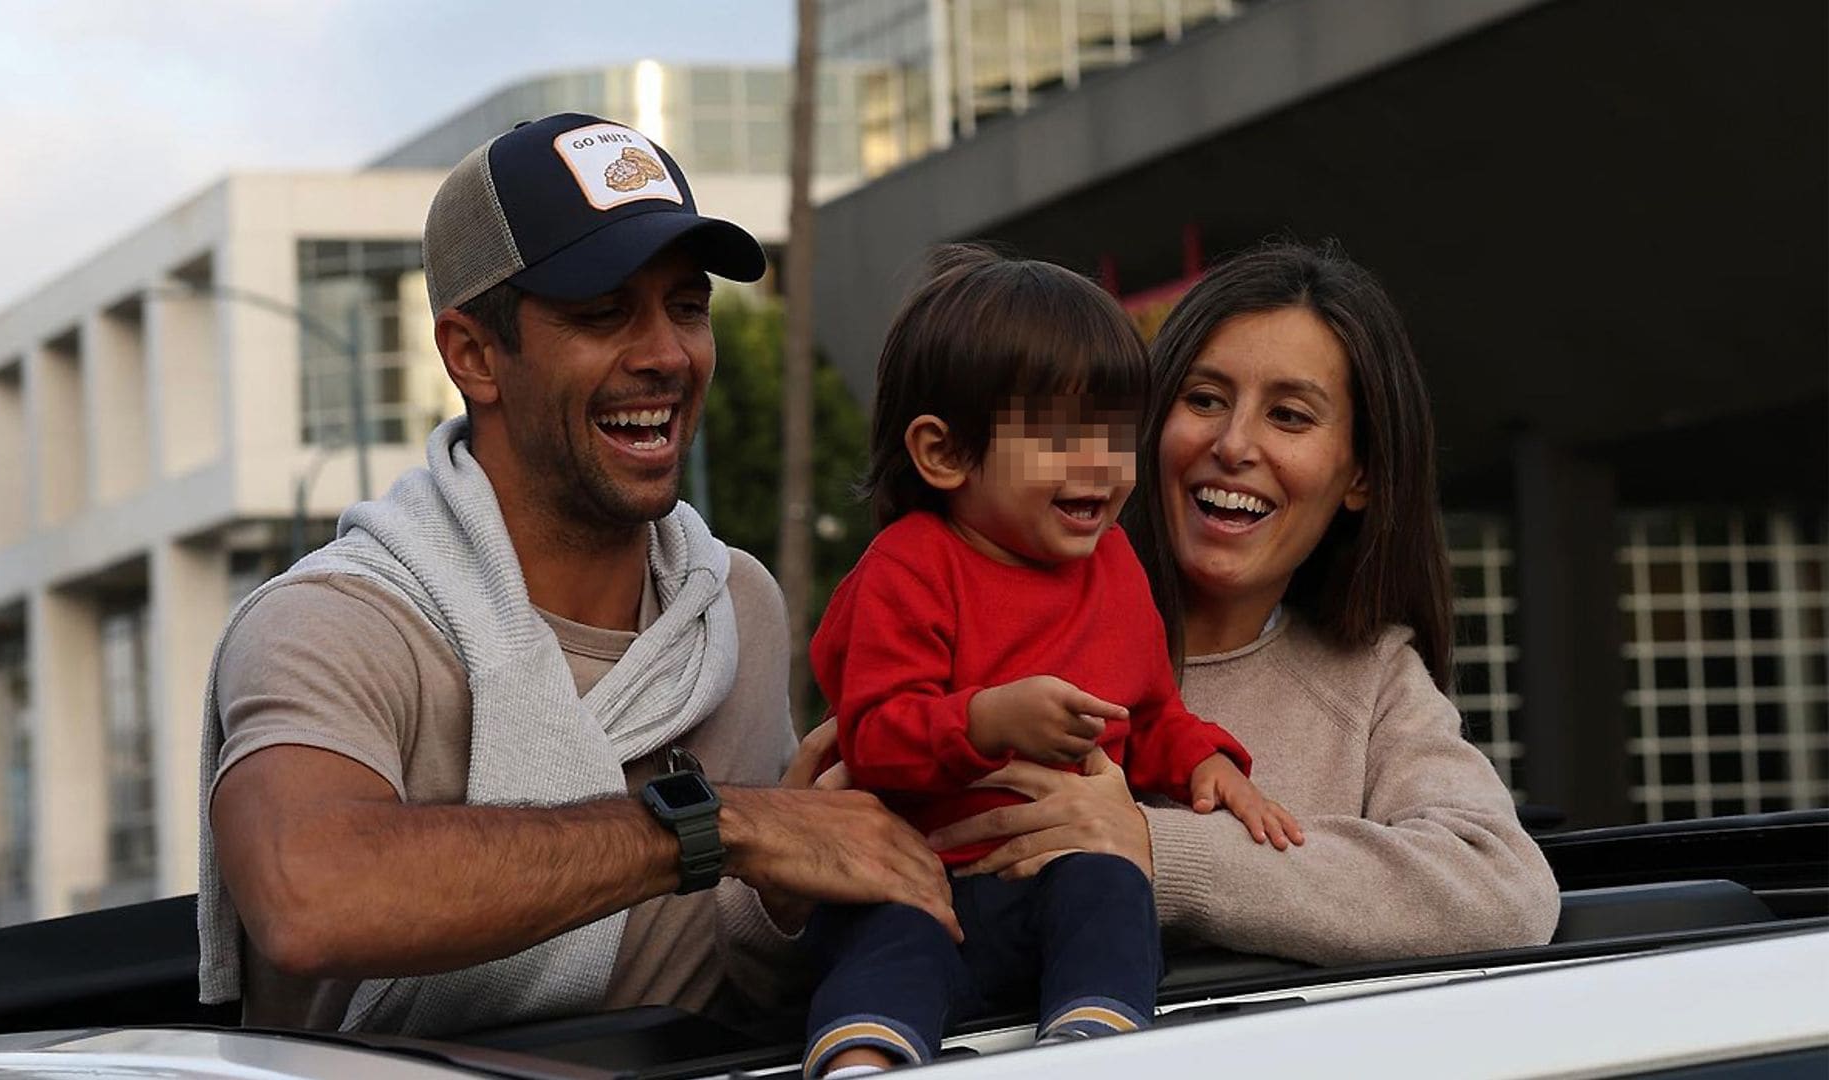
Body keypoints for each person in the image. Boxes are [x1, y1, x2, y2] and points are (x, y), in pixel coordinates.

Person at [198, 113, 960, 1039]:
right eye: (602, 314)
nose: (667, 355)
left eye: (687, 306)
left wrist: (795, 890)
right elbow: (307, 893)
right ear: (473, 354)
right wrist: (714, 827)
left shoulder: (732, 606)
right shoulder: (339, 621)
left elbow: (739, 962)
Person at [908, 240, 1561, 965]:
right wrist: (801, 881)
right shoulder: (966, 594)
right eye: (1204, 399)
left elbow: (1505, 890)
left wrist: (1155, 849)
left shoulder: (1374, 682)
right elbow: (789, 890)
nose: (1233, 443)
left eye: (1289, 416)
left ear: (1362, 476)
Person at [799, 247, 1300, 1078]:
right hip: (923, 876)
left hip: (1055, 876)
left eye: (1114, 435)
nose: (1099, 465)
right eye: (1063, 437)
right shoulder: (906, 566)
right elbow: (872, 736)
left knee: (1109, 886)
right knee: (883, 937)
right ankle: (863, 1056)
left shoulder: (1115, 566)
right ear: (944, 454)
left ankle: (1092, 1038)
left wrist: (1207, 762)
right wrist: (987, 718)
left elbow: (1146, 717)